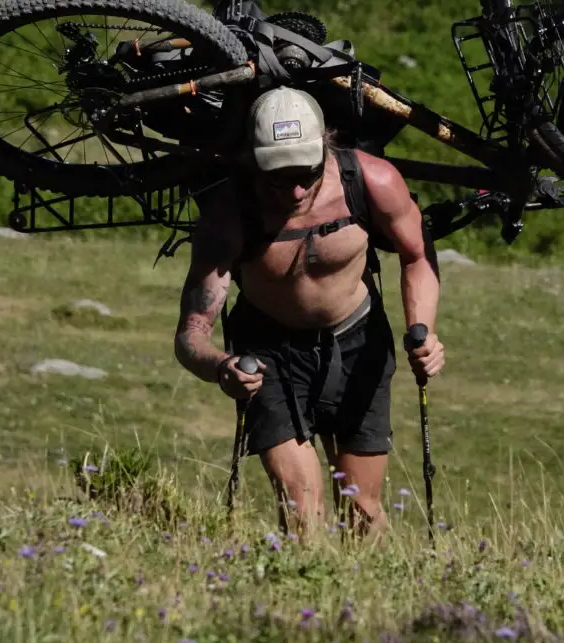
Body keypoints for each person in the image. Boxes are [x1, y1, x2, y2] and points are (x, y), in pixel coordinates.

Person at [173, 86, 444, 540]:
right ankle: (306, 601)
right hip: (268, 355)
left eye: (306, 173)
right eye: (277, 178)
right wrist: (220, 366)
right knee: (302, 504)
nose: (295, 190)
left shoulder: (372, 181)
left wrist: (424, 332)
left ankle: (363, 605)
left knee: (362, 505)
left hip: (359, 344)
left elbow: (417, 255)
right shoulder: (229, 216)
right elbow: (191, 332)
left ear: (326, 146)